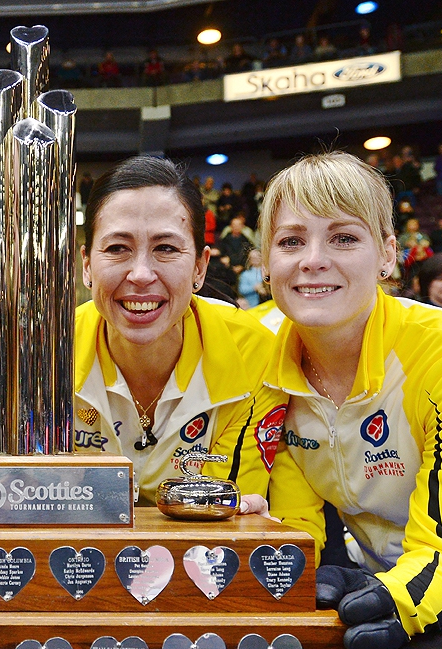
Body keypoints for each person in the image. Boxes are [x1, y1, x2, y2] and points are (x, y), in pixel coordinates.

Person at [260, 151, 442, 649]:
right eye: (291, 241)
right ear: (263, 262)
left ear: (388, 254)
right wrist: (295, 579)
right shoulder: (264, 364)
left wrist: (388, 601)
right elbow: (295, 523)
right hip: (391, 595)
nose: (312, 260)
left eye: (343, 238)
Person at [75, 156, 287, 507]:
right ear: (87, 265)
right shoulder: (47, 358)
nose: (141, 274)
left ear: (200, 267)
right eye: (117, 248)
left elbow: (222, 520)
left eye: (166, 248)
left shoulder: (254, 353)